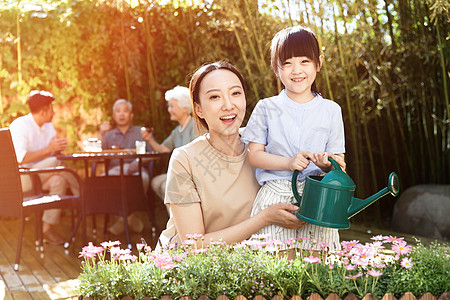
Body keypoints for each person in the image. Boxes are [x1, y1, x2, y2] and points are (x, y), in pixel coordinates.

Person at [157, 61, 305, 249]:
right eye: (214, 97)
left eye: (235, 93)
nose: (228, 105)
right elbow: (193, 246)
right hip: (193, 271)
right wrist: (265, 218)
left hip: (253, 267)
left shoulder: (267, 146)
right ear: (199, 109)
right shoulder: (184, 160)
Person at [242, 26, 346, 253]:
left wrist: (326, 164)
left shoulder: (331, 110)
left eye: (304, 61)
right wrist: (289, 163)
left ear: (318, 63)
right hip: (276, 194)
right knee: (277, 271)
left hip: (319, 195)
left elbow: (340, 162)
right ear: (276, 68)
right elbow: (254, 156)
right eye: (287, 63)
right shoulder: (266, 107)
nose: (296, 70)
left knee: (317, 270)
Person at [9, 90, 80, 244]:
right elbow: (20, 159)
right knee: (56, 163)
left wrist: (57, 148)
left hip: (41, 175)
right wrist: (49, 150)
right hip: (22, 178)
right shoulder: (20, 126)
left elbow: (52, 154)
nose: (54, 112)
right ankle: (83, 197)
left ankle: (46, 229)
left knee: (58, 182)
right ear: (43, 112)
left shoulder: (48, 127)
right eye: (51, 109)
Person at [101, 99, 152, 235]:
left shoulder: (141, 132)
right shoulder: (108, 135)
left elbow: (153, 153)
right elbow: (99, 157)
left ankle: (121, 222)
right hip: (115, 170)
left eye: (125, 111)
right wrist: (100, 135)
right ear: (113, 116)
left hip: (137, 169)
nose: (121, 114)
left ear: (131, 115)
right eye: (118, 111)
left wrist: (138, 161)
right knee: (103, 181)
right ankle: (129, 220)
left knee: (143, 179)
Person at [142, 85, 197, 208]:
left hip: (192, 173)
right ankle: (177, 217)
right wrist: (149, 139)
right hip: (180, 172)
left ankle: (178, 221)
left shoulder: (195, 126)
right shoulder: (177, 131)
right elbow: (163, 149)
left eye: (172, 106)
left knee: (168, 187)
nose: (169, 110)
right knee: (157, 182)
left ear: (184, 107)